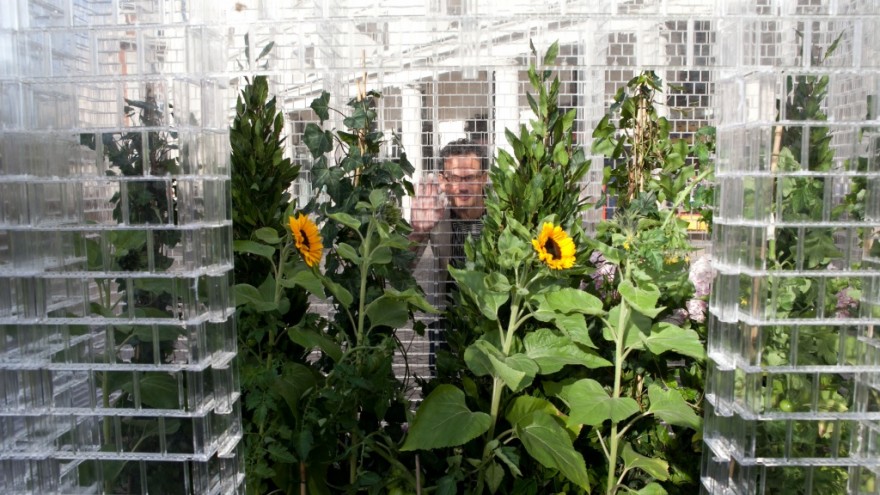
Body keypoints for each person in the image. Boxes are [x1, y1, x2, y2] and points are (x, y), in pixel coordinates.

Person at [409, 138, 489, 374]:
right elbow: (402, 266)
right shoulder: (435, 210)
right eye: (453, 178)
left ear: (484, 178)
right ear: (443, 180)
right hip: (446, 316)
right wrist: (418, 231)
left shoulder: (503, 208)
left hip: (493, 315)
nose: (461, 187)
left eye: (470, 178)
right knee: (443, 383)